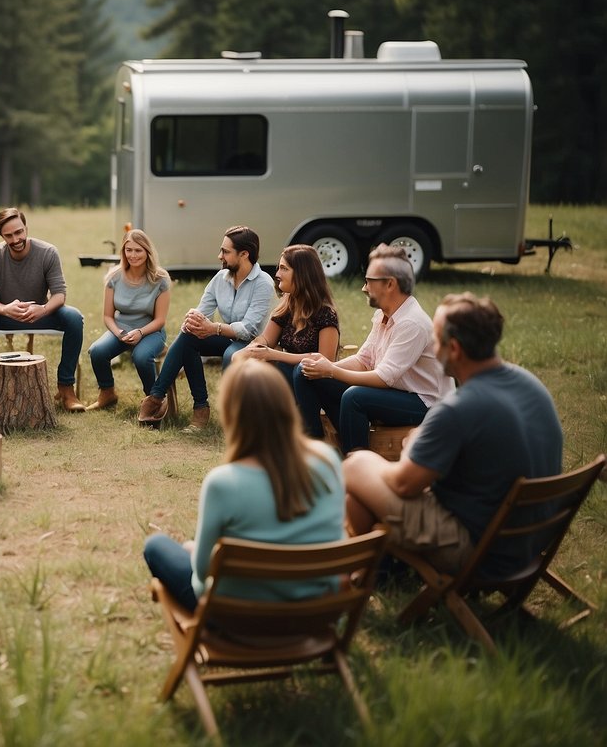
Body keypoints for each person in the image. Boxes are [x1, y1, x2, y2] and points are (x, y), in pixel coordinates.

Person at [344, 293, 562, 577]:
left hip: (481, 552)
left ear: (455, 349)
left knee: (356, 465)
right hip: (529, 541)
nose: (433, 348)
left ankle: (379, 573)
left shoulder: (458, 409)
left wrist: (411, 445)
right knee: (359, 497)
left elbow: (403, 484)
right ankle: (387, 572)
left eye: (435, 339)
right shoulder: (530, 384)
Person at [143, 359, 346, 609]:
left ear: (231, 415)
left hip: (238, 620)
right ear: (286, 405)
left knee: (157, 545)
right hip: (314, 613)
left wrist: (194, 551)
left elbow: (203, 573)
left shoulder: (223, 484)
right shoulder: (327, 460)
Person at [293, 243, 450, 453]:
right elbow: (363, 360)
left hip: (424, 402)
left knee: (355, 397)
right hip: (396, 390)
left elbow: (384, 378)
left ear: (390, 284)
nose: (363, 288)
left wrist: (331, 371)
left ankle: (356, 460)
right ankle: (315, 449)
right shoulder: (383, 315)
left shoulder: (411, 322)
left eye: (368, 281)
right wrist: (324, 367)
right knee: (305, 371)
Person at [137, 225, 275, 431]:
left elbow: (249, 330)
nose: (220, 256)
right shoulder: (221, 278)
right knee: (188, 337)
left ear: (244, 254)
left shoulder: (263, 283)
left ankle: (234, 417)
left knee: (231, 354)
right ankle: (178, 402)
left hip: (255, 343)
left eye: (226, 252)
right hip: (228, 336)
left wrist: (214, 328)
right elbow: (203, 311)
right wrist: (192, 320)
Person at [0, 208, 86, 412]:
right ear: (1, 236)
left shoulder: (47, 252)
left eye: (19, 232)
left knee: (74, 317)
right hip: (6, 315)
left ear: (26, 228)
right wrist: (5, 309)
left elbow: (59, 294)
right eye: (9, 235)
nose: (16, 239)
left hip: (40, 314)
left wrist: (43, 309)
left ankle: (66, 388)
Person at [85, 229, 171, 410]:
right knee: (97, 352)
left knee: (140, 357)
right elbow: (108, 316)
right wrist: (119, 332)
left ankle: (153, 399)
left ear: (147, 252)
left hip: (151, 331)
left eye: (138, 250)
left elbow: (160, 320)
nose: (133, 255)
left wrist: (140, 332)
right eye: (128, 250)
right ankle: (107, 393)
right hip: (121, 328)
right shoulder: (114, 276)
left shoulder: (160, 279)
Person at [232, 244, 340, 384]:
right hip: (288, 374)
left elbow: (324, 361)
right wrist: (252, 349)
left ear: (302, 274)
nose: (277, 274)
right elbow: (266, 339)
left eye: (284, 269)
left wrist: (273, 354)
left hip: (313, 383)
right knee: (247, 362)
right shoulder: (287, 304)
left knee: (297, 369)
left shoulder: (326, 314)